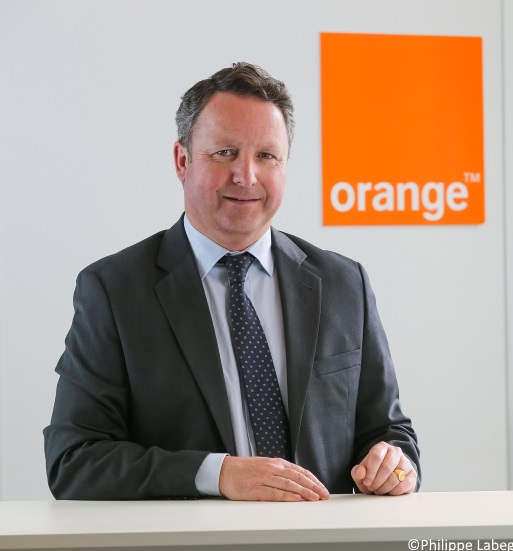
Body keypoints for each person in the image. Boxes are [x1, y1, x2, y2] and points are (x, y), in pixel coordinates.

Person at [44, 62, 420, 501]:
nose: (246, 176)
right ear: (182, 161)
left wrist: (396, 465)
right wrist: (217, 474)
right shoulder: (114, 290)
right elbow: (74, 460)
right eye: (224, 153)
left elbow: (390, 432)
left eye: (266, 156)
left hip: (322, 535)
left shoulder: (343, 283)